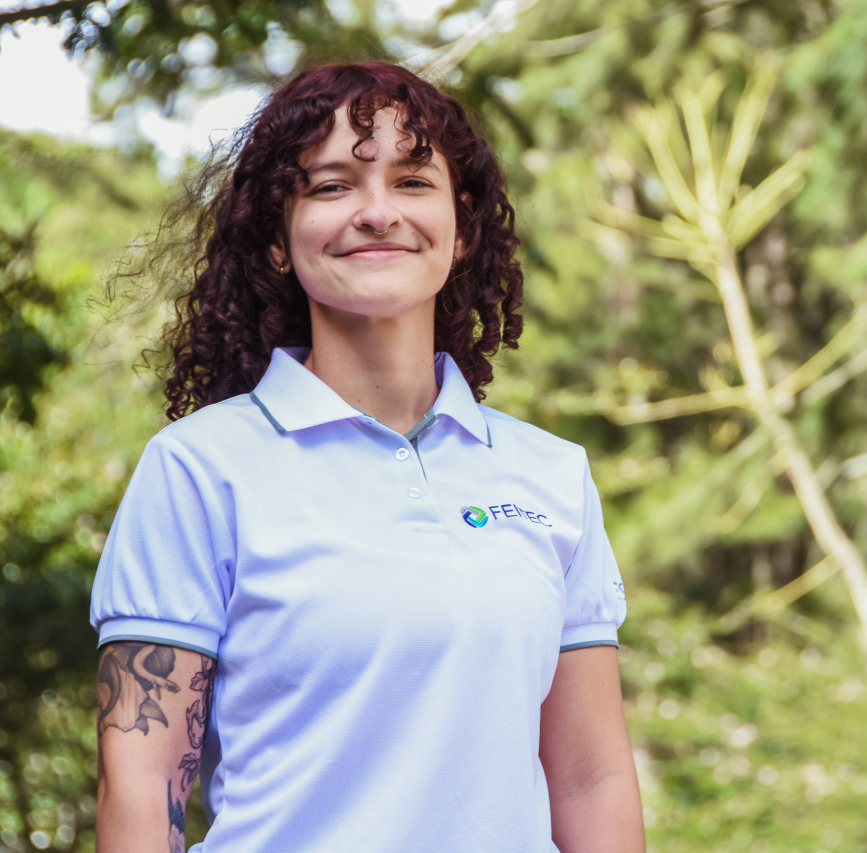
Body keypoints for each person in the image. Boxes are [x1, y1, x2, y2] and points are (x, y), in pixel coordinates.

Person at [89, 61, 644, 853]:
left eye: (412, 181)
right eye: (332, 185)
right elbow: (142, 787)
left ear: (463, 229)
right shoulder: (197, 469)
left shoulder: (552, 474)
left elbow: (591, 779)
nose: (378, 213)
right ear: (278, 240)